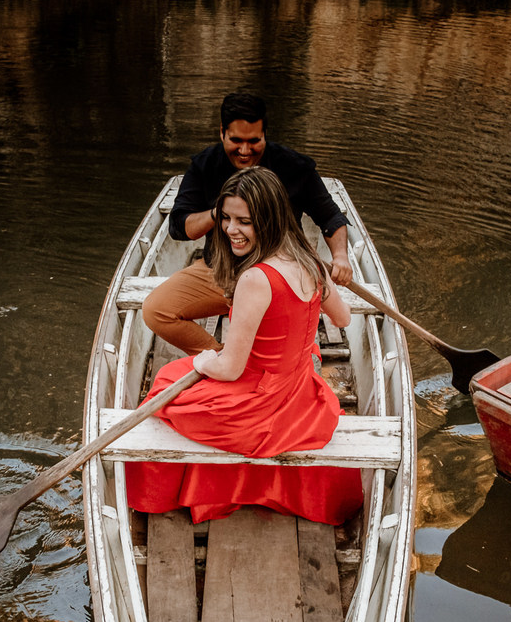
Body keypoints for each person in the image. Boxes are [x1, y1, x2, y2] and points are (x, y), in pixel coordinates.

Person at [126, 167, 363, 526]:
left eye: (244, 221)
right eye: (226, 218)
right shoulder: (310, 259)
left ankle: (168, 495)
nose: (230, 230)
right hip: (300, 391)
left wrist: (204, 361)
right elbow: (343, 319)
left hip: (260, 404)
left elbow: (232, 369)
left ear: (268, 219)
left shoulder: (255, 278)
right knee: (178, 378)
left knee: (166, 380)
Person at [143, 92, 354, 356]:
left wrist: (341, 257)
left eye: (254, 141)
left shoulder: (293, 166)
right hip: (222, 270)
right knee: (155, 310)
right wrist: (218, 213)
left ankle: (261, 356)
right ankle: (222, 356)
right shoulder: (205, 165)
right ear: (222, 133)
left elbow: (330, 216)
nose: (245, 151)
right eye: (236, 141)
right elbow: (178, 226)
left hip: (281, 276)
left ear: (266, 134)